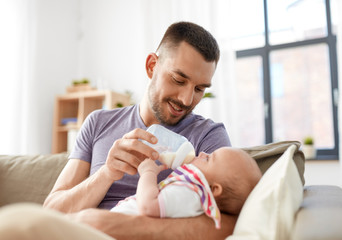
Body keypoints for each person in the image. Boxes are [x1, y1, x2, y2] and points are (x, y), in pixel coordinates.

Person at [0, 21, 237, 239]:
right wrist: (106, 173)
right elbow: (52, 211)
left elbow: (232, 223)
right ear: (151, 66)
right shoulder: (98, 123)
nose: (187, 99)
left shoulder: (208, 138)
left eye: (199, 89)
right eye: (178, 80)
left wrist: (125, 226)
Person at [111, 147, 262, 231]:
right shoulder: (191, 191)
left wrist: (148, 173)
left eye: (208, 158)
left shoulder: (192, 193)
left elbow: (148, 206)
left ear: (215, 189)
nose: (202, 153)